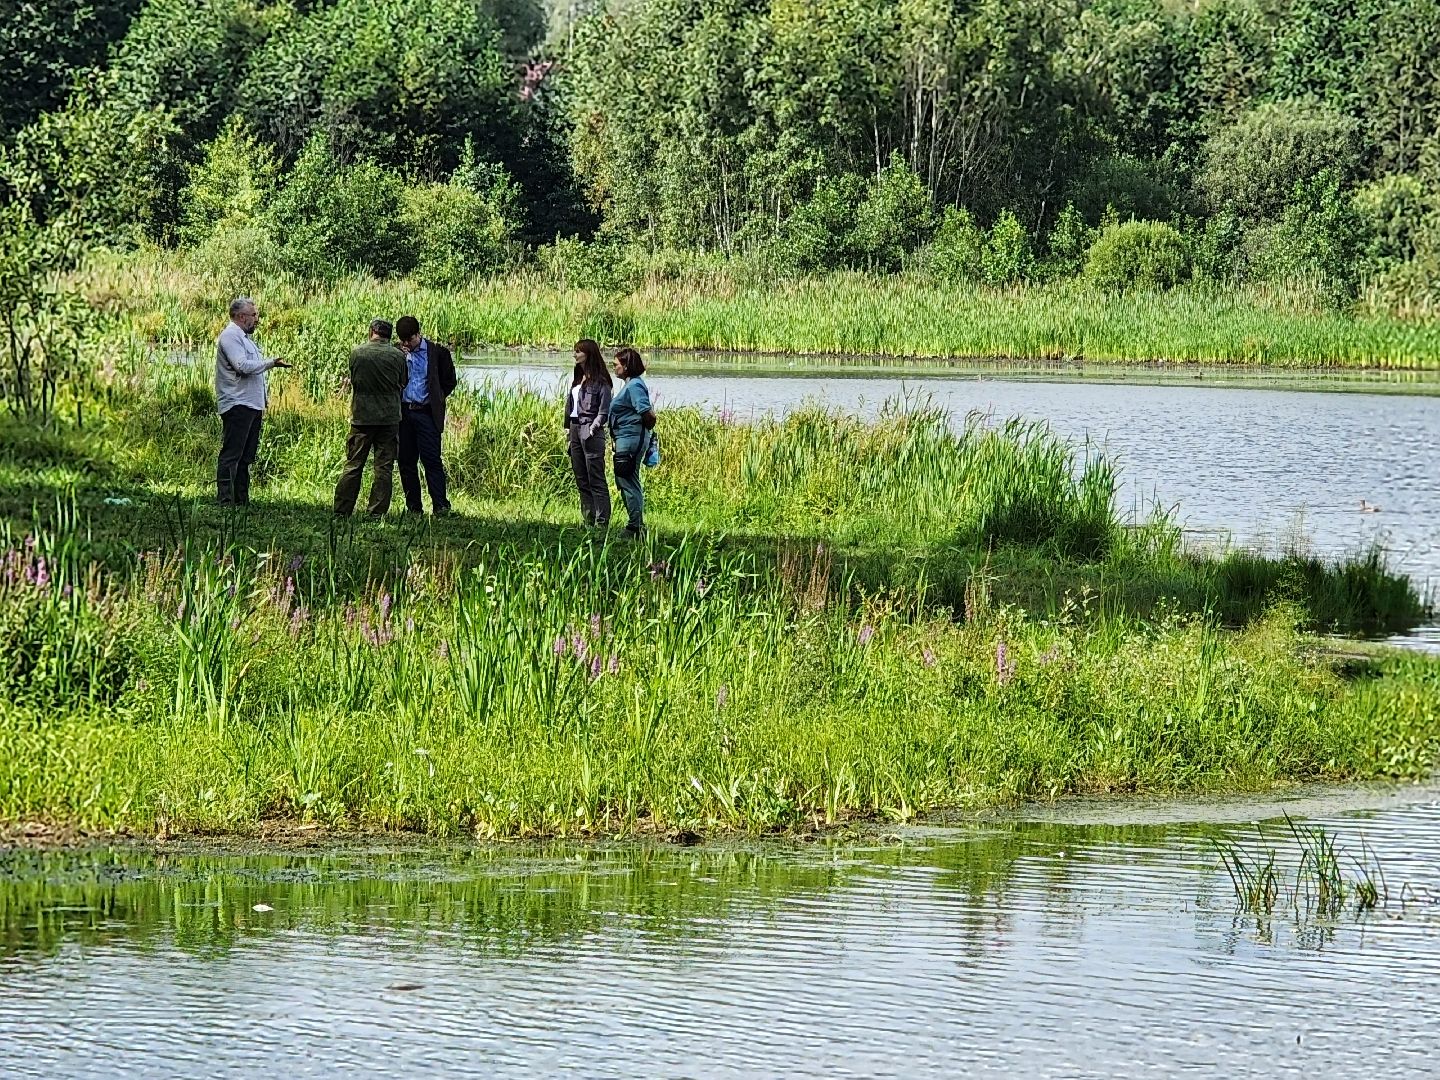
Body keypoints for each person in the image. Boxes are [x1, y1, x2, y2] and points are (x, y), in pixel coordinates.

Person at [215, 297, 290, 506]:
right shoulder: (230, 336)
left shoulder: (245, 338)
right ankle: (225, 499)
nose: (257, 319)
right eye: (254, 315)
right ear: (241, 316)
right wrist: (271, 363)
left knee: (245, 456)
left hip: (251, 405)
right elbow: (242, 366)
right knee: (232, 454)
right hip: (238, 404)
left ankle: (241, 500)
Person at [333, 319, 408, 517]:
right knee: (383, 467)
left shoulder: (357, 352)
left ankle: (342, 510)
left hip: (362, 417)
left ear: (372, 332)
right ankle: (376, 512)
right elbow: (403, 382)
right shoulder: (398, 356)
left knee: (353, 464)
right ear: (389, 335)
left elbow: (355, 379)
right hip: (389, 418)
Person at [394, 314, 458, 516]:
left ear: (417, 334)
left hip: (426, 413)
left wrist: (436, 397)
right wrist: (401, 356)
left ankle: (440, 505)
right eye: (403, 340)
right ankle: (414, 507)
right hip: (404, 413)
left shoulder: (438, 353)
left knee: (432, 460)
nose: (406, 344)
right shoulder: (397, 353)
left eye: (409, 340)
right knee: (406, 461)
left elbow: (450, 381)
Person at [608, 346, 655, 539]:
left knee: (628, 480)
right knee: (623, 479)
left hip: (631, 440)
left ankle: (635, 527)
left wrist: (640, 433)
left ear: (626, 366)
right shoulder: (630, 384)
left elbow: (649, 415)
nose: (614, 367)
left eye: (616, 364)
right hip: (625, 439)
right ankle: (635, 524)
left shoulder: (635, 386)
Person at [567, 339, 614, 527]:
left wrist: (592, 429)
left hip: (590, 431)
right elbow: (570, 407)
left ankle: (602, 522)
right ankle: (588, 520)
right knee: (581, 477)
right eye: (575, 351)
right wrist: (569, 433)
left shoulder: (601, 382)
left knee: (596, 477)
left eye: (578, 352)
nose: (575, 355)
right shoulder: (578, 377)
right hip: (574, 428)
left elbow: (604, 412)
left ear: (589, 354)